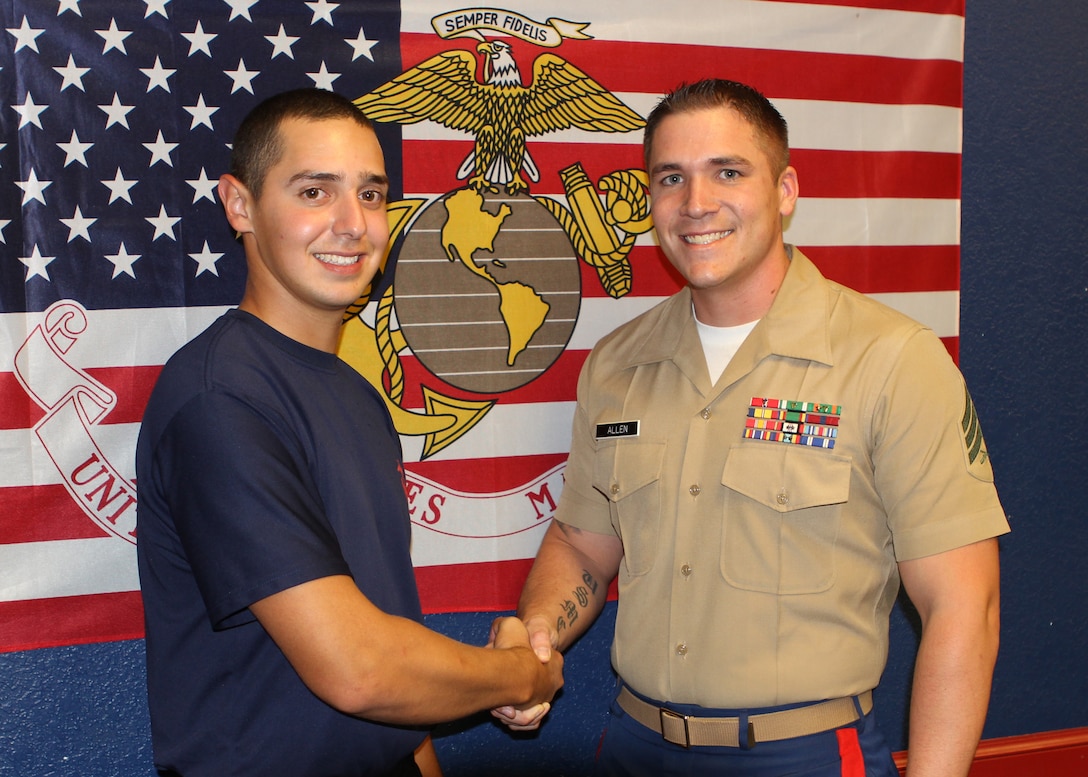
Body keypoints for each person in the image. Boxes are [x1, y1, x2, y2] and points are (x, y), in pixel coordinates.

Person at [498, 79, 1009, 776]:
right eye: (671, 177)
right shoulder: (617, 365)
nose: (696, 203)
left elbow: (962, 604)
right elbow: (584, 545)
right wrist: (535, 638)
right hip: (633, 744)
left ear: (786, 189)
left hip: (800, 756)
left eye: (727, 172)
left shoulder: (889, 359)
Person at [136, 88, 562, 777]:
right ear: (239, 205)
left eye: (370, 194)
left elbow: (383, 639)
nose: (352, 223)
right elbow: (358, 669)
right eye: (314, 191)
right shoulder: (219, 399)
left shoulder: (359, 396)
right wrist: (519, 676)